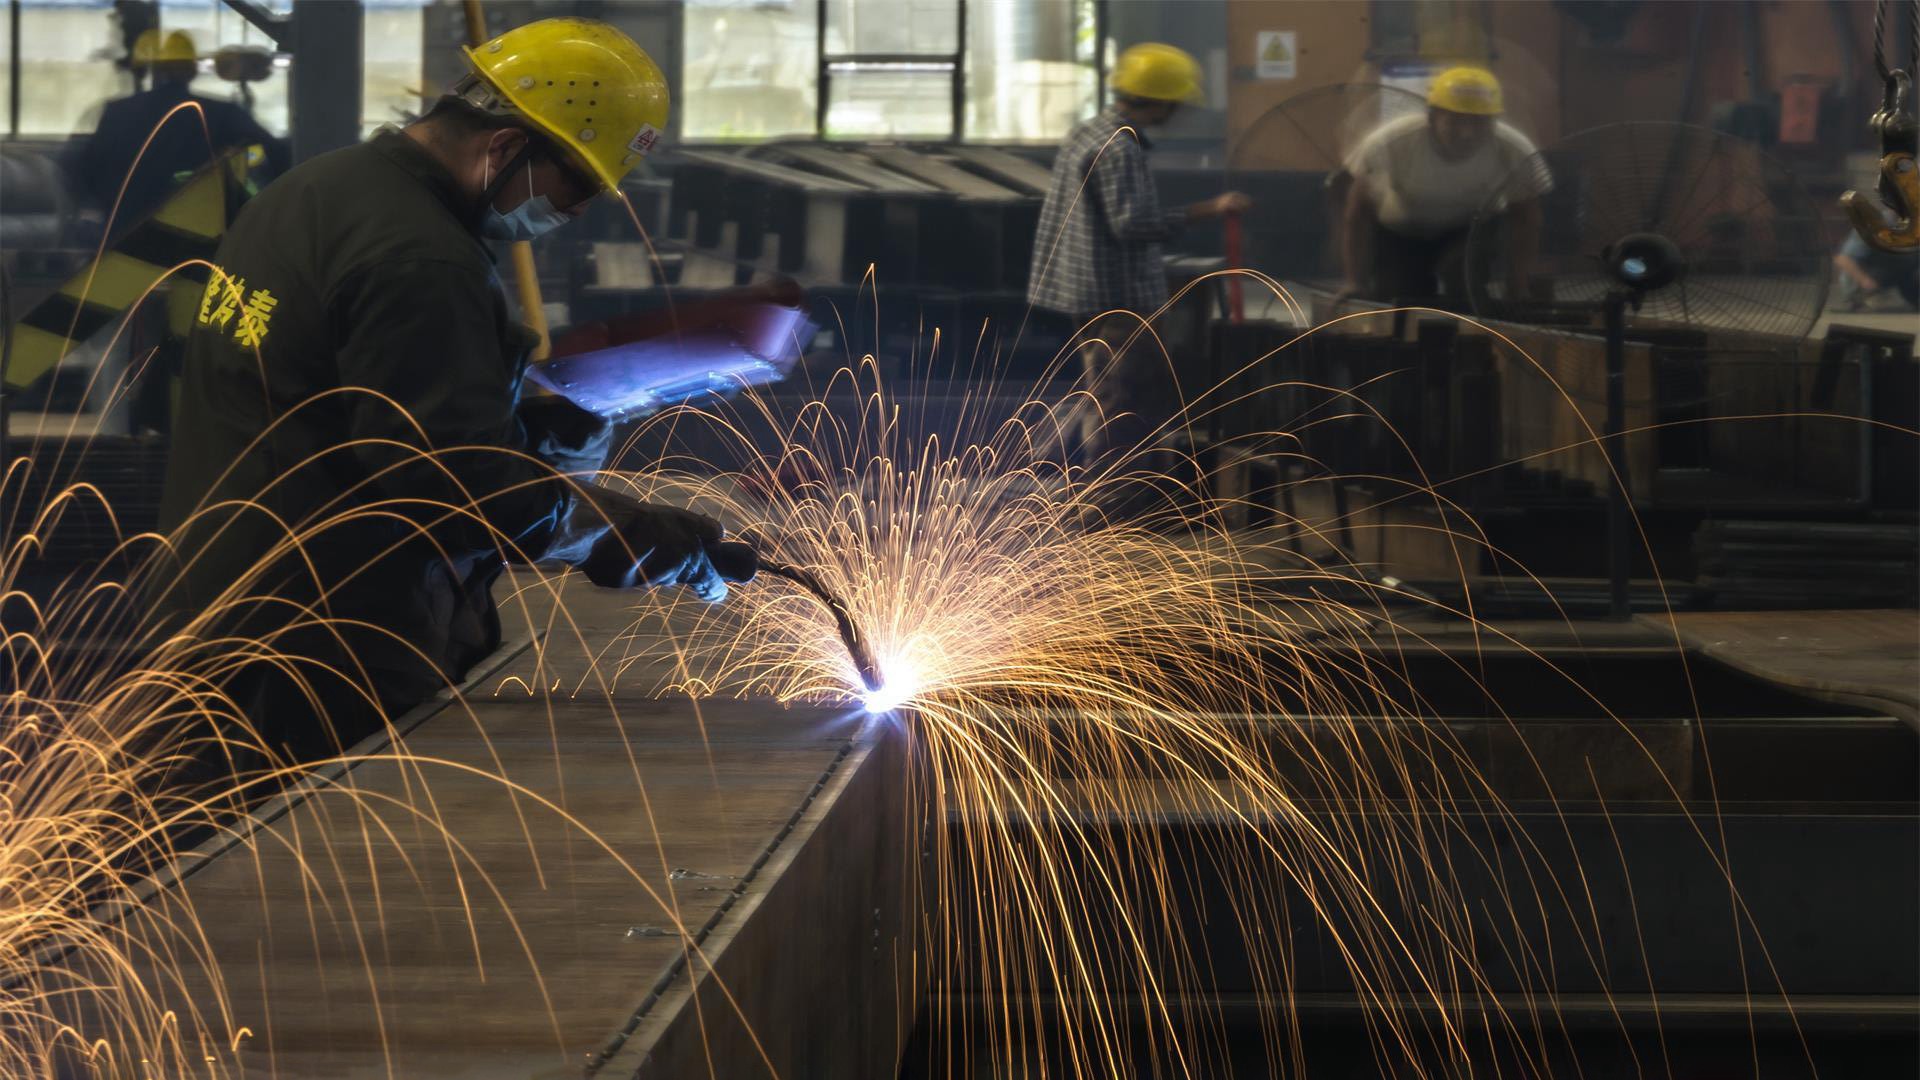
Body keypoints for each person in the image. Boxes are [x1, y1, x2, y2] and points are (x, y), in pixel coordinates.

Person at [152, 17, 727, 764]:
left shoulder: (320, 189)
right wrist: (626, 533)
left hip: (229, 598)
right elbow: (456, 483)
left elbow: (349, 400)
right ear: (506, 146)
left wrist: (524, 427)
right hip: (324, 640)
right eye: (579, 183)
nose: (580, 209)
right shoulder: (421, 256)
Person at [1028, 42, 1251, 465]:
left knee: (1104, 390)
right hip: (1120, 299)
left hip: (1087, 291)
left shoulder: (1085, 133)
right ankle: (1113, 490)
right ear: (1162, 101)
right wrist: (1209, 209)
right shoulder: (1120, 147)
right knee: (1126, 400)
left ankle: (1089, 479)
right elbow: (1131, 224)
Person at [1337, 66, 1551, 305]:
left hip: (1469, 233)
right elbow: (1357, 213)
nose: (1467, 133)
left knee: (1467, 290)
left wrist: (1517, 285)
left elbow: (1526, 219)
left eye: (1479, 122)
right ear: (1432, 117)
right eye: (1455, 121)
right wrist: (1355, 281)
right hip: (1401, 233)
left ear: (1493, 121)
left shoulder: (1514, 150)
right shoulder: (1392, 142)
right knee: (1401, 296)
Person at [79, 28, 286, 230]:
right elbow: (277, 153)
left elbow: (87, 169)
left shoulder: (116, 113)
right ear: (191, 71)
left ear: (141, 71)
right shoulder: (220, 113)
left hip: (123, 234)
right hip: (199, 233)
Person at [1833, 206, 1920, 312]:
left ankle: (1913, 300)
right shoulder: (1873, 224)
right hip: (1871, 274)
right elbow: (1843, 259)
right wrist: (1865, 281)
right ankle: (1856, 299)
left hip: (1901, 271)